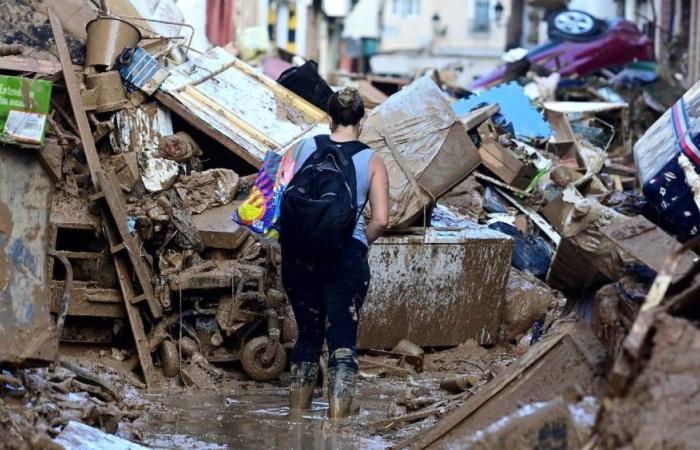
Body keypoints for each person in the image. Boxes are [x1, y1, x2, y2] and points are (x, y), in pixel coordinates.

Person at [281, 86, 389, 419]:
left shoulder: (303, 147)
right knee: (342, 339)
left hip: (298, 258)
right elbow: (383, 219)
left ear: (330, 117)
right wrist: (359, 243)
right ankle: (338, 425)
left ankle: (297, 418)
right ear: (362, 118)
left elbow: (277, 193)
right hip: (344, 259)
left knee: (307, 337)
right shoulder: (371, 160)